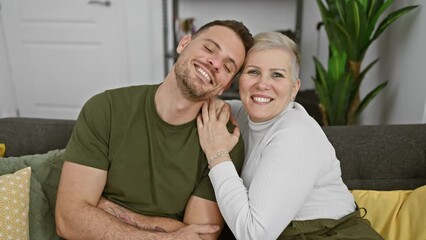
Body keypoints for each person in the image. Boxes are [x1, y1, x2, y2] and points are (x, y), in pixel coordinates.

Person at [55, 20, 253, 240]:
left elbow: (200, 237)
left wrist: (103, 209)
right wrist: (168, 236)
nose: (215, 63)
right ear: (184, 43)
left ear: (225, 86)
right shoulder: (106, 109)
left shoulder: (224, 144)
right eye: (209, 48)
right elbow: (68, 221)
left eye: (227, 67)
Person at [197, 32, 384, 240]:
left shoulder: (295, 132)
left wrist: (217, 155)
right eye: (253, 72)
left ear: (294, 88)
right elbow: (190, 106)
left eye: (277, 74)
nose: (262, 84)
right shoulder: (239, 114)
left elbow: (254, 234)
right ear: (239, 80)